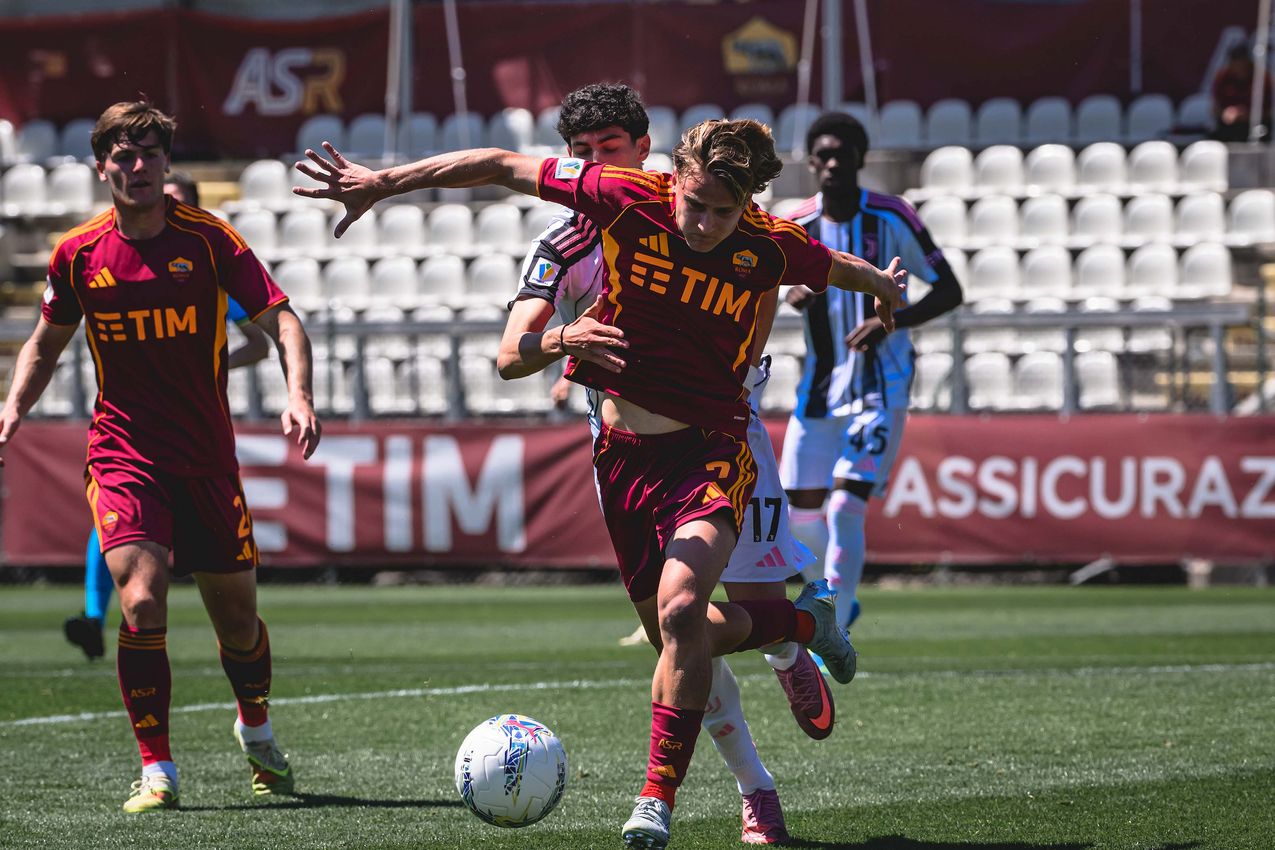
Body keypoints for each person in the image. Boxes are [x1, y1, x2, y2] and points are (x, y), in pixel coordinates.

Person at [294, 116, 904, 850]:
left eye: (723, 211)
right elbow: (495, 165)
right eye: (696, 204)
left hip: (712, 450)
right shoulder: (615, 202)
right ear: (671, 180)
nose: (706, 224)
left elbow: (830, 266)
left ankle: (657, 801)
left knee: (683, 614)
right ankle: (803, 626)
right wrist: (387, 182)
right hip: (619, 458)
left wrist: (877, 285)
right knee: (677, 638)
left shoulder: (766, 244)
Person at [496, 83, 833, 845]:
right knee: (679, 635)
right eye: (577, 155)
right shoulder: (563, 243)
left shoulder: (707, 216)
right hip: (627, 450)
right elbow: (511, 350)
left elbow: (777, 275)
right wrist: (562, 345)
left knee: (709, 610)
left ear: (643, 153)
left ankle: (787, 636)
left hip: (726, 436)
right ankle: (759, 771)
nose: (588, 167)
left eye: (604, 152)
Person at [0, 101, 321, 813]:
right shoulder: (78, 252)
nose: (137, 167)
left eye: (149, 155)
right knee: (142, 602)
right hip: (123, 452)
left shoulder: (209, 241)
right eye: (123, 156)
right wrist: (13, 408)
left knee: (236, 621)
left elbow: (284, 320)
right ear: (101, 166)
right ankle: (158, 769)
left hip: (207, 459)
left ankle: (257, 729)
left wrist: (297, 394)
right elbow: (45, 342)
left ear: (166, 163)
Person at [63, 171, 272, 661]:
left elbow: (259, 341)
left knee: (235, 614)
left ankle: (248, 697)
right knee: (117, 528)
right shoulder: (112, 260)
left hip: (196, 433)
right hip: (131, 433)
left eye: (177, 199)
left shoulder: (211, 263)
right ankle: (95, 616)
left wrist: (212, 363)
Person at [780, 112, 963, 636]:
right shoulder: (796, 225)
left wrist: (893, 321)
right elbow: (768, 288)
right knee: (802, 514)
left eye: (844, 153)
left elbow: (949, 289)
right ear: (812, 161)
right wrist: (791, 290)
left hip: (880, 386)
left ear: (861, 158)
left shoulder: (892, 216)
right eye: (824, 154)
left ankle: (840, 606)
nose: (834, 162)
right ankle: (820, 600)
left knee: (845, 506)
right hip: (817, 391)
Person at [1211, 43, 1273, 142]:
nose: (1239, 68)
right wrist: (1225, 113)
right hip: (1229, 125)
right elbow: (1215, 108)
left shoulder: (1263, 78)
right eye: (1235, 63)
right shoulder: (1222, 77)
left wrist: (1248, 115)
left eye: (1242, 63)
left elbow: (1270, 111)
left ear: (1248, 61)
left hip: (1257, 124)